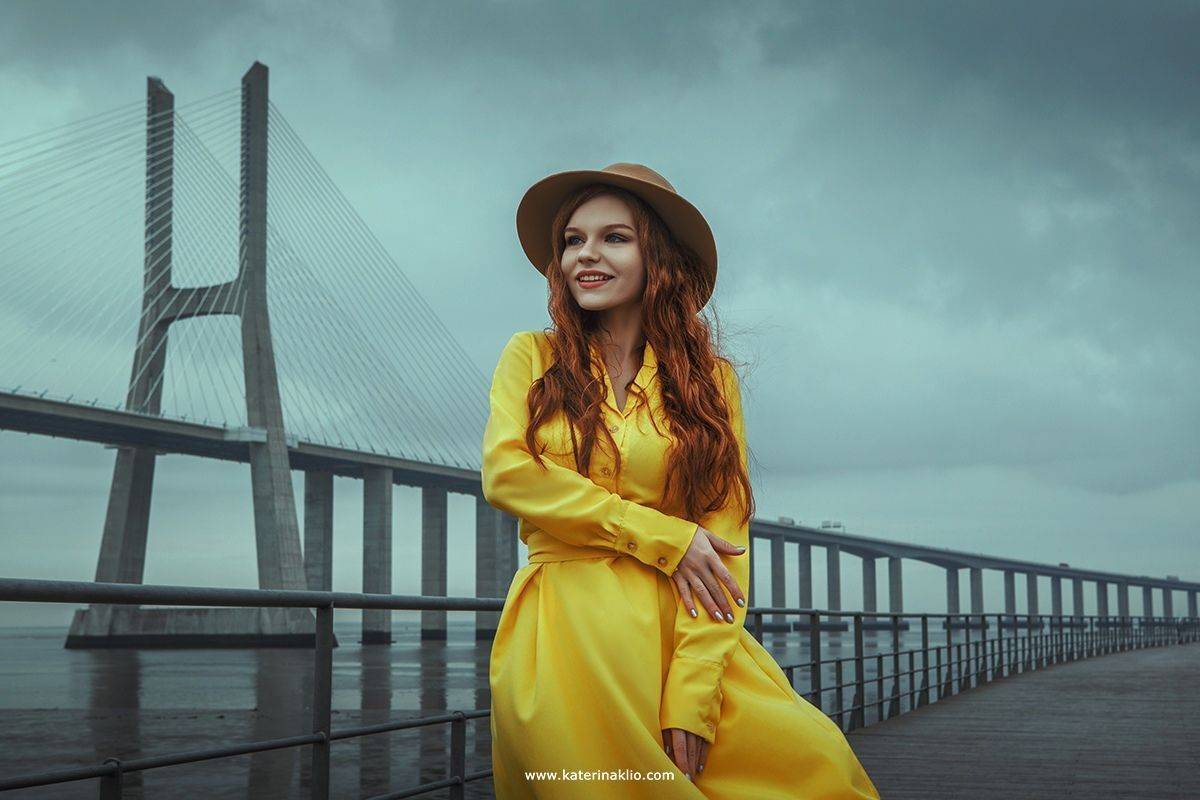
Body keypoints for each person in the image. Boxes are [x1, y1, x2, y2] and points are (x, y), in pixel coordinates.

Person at [482, 162, 880, 798]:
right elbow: (507, 475)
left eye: (615, 237)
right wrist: (664, 534)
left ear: (657, 258)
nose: (586, 254)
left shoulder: (709, 383)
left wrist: (693, 690)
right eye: (572, 240)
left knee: (820, 771)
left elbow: (725, 537)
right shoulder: (531, 355)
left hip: (680, 636)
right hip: (563, 644)